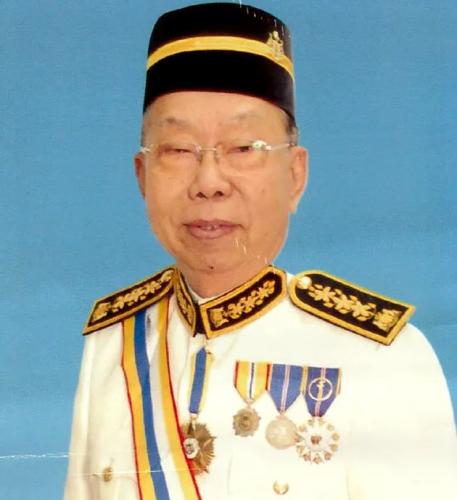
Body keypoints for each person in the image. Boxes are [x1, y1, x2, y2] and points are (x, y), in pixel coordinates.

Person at [65, 3, 457, 499]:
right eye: (179, 150)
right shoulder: (112, 343)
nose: (209, 182)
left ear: (295, 175)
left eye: (243, 148)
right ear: (142, 176)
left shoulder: (381, 357)